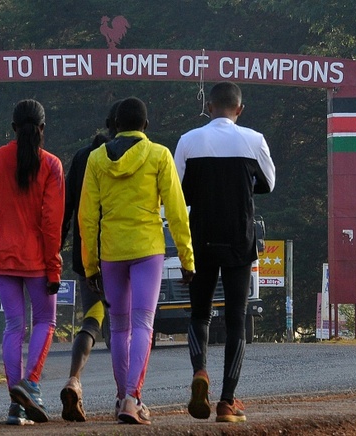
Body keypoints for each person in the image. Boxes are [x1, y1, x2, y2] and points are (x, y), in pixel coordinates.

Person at [79, 97, 195, 425]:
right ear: (145, 125)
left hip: (111, 252)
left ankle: (121, 398)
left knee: (118, 327)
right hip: (147, 249)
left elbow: (87, 216)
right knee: (144, 323)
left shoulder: (97, 159)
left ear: (115, 125)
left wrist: (90, 265)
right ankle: (133, 398)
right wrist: (187, 259)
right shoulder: (158, 155)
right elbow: (175, 210)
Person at [174, 82, 275, 423]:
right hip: (239, 240)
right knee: (235, 320)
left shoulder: (188, 141)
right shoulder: (254, 139)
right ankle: (227, 402)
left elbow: (178, 192)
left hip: (201, 238)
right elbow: (268, 183)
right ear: (239, 109)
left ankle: (200, 372)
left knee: (199, 315)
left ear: (209, 107)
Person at [0, 99, 65, 426]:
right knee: (46, 322)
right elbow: (51, 224)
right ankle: (31, 384)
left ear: (13, 128)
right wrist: (54, 267)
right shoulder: (51, 165)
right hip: (38, 260)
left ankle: (16, 402)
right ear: (42, 128)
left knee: (14, 326)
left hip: (2, 258)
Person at [59, 101, 121, 422]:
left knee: (92, 319)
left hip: (86, 256)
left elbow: (68, 206)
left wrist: (58, 244)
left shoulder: (83, 156)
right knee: (121, 327)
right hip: (121, 253)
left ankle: (74, 380)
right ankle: (123, 396)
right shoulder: (128, 154)